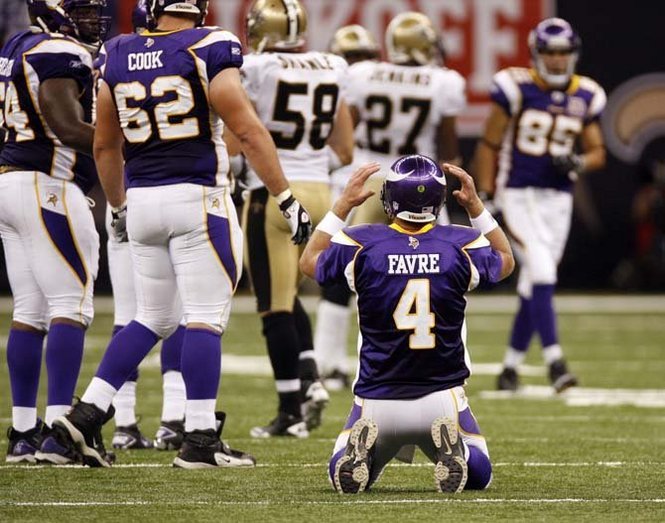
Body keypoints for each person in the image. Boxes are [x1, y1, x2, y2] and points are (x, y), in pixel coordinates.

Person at [52, 0, 312, 468]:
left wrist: (118, 206)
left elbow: (105, 144)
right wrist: (286, 197)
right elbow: (247, 131)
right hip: (199, 198)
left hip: (142, 200)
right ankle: (199, 438)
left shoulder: (118, 51)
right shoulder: (211, 45)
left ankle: (87, 412)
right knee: (205, 319)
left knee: (151, 317)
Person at [300, 155, 514, 493]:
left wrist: (342, 205)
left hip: (377, 400)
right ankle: (457, 452)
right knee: (480, 474)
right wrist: (475, 207)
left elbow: (309, 261)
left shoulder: (361, 243)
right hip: (442, 398)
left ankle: (359, 453)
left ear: (390, 198)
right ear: (438, 200)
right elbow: (505, 260)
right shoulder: (461, 244)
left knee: (339, 470)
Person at [313, 13, 466, 390]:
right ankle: (451, 360)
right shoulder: (443, 81)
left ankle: (327, 363)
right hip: (420, 183)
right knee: (445, 270)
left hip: (370, 176)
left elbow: (345, 127)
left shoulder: (363, 73)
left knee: (343, 267)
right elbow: (448, 147)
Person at [473, 17, 607, 392]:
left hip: (558, 200)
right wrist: (486, 196)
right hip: (518, 194)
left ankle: (509, 369)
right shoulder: (517, 87)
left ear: (573, 54)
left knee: (534, 281)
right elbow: (488, 144)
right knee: (543, 270)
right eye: (550, 52)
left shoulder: (587, 94)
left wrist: (578, 162)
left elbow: (597, 152)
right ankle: (555, 363)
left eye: (563, 52)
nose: (557, 59)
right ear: (536, 54)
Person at [239, 0, 354, 438]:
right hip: (321, 194)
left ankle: (290, 410)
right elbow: (345, 149)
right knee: (287, 293)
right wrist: (310, 164)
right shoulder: (332, 66)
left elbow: (237, 136)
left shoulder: (255, 68)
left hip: (275, 193)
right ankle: (310, 377)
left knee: (273, 306)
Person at [0, 0, 107, 464]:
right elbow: (65, 126)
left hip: (11, 182)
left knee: (30, 311)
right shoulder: (59, 51)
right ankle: (60, 433)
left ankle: (24, 431)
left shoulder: (16, 46)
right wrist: (127, 142)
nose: (91, 19)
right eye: (80, 9)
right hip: (49, 186)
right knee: (71, 305)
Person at [103, 0, 187, 453]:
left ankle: (123, 421)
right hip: (177, 194)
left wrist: (115, 204)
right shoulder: (190, 61)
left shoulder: (114, 62)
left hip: (129, 197)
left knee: (129, 314)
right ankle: (175, 418)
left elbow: (102, 143)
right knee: (185, 313)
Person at [313, 24, 380, 391]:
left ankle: (331, 362)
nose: (356, 65)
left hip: (357, 179)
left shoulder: (344, 85)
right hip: (358, 180)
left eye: (361, 58)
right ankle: (329, 362)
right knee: (340, 273)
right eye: (351, 58)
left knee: (350, 273)